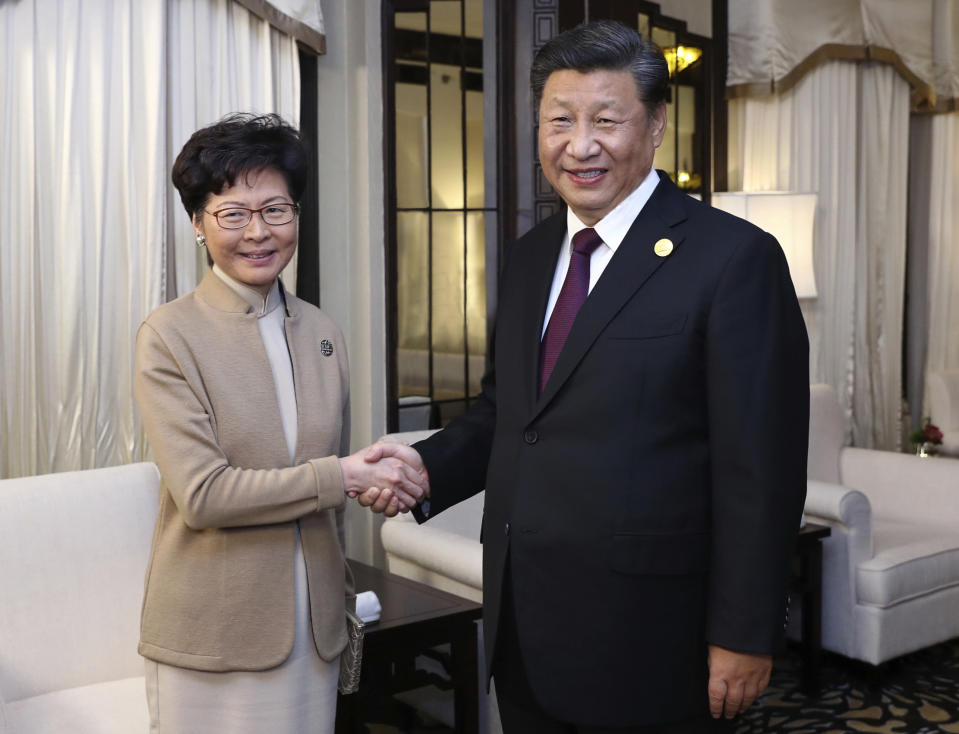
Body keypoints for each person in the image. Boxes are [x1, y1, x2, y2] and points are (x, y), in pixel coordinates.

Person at [362, 20, 809, 733]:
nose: (579, 145)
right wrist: (420, 464)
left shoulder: (732, 260)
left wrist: (743, 632)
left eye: (606, 120)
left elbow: (762, 470)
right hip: (524, 620)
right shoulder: (531, 256)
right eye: (559, 121)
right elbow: (510, 414)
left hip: (650, 634)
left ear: (656, 124)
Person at [133, 113, 427, 734]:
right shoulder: (169, 335)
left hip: (315, 626)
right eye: (233, 214)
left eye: (277, 210)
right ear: (196, 223)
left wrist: (374, 482)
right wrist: (343, 475)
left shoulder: (322, 331)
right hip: (215, 630)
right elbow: (205, 496)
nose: (258, 232)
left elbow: (329, 488)